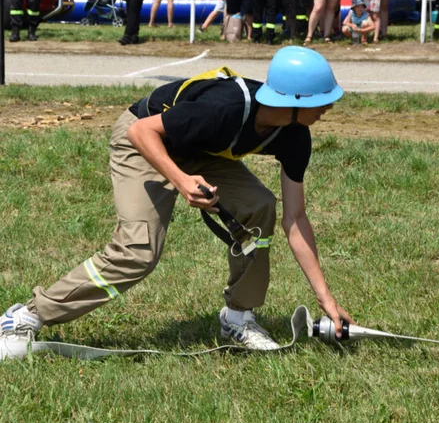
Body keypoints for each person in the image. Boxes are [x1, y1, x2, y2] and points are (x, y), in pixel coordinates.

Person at [0, 47, 352, 360]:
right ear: (292, 101)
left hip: (199, 151)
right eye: (323, 100)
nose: (330, 106)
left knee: (260, 206)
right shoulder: (225, 108)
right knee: (137, 252)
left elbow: (296, 218)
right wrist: (182, 181)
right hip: (143, 139)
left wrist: (326, 298)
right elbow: (141, 133)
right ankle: (25, 317)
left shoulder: (295, 136)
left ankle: (238, 318)